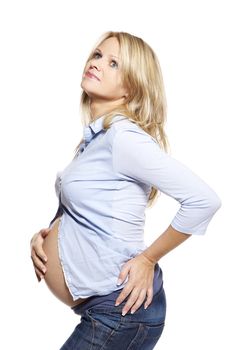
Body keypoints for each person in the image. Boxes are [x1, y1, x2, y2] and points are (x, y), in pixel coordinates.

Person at [30, 31, 222, 349]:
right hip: (106, 312)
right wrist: (45, 236)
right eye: (97, 55)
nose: (98, 64)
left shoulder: (124, 139)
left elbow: (204, 200)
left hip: (122, 313)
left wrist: (148, 259)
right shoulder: (96, 140)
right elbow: (83, 211)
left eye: (114, 63)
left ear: (131, 87)